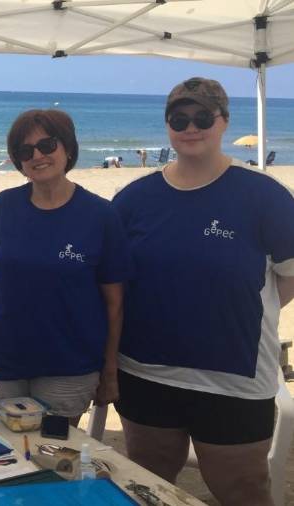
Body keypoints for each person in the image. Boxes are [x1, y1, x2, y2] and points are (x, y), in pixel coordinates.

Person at [112, 77, 294, 506]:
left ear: (223, 122)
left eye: (202, 117)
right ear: (168, 125)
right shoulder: (135, 199)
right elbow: (115, 281)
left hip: (234, 379)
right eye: (179, 118)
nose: (190, 127)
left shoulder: (264, 196)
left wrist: (236, 312)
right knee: (149, 488)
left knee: (244, 491)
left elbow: (288, 276)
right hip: (145, 374)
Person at [0, 109, 132, 423]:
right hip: (3, 363)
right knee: (1, 458)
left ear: (68, 148)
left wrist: (110, 369)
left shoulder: (101, 216)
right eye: (25, 150)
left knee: (52, 457)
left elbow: (114, 304)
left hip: (69, 367)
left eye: (47, 145)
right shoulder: (4, 206)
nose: (37, 155)